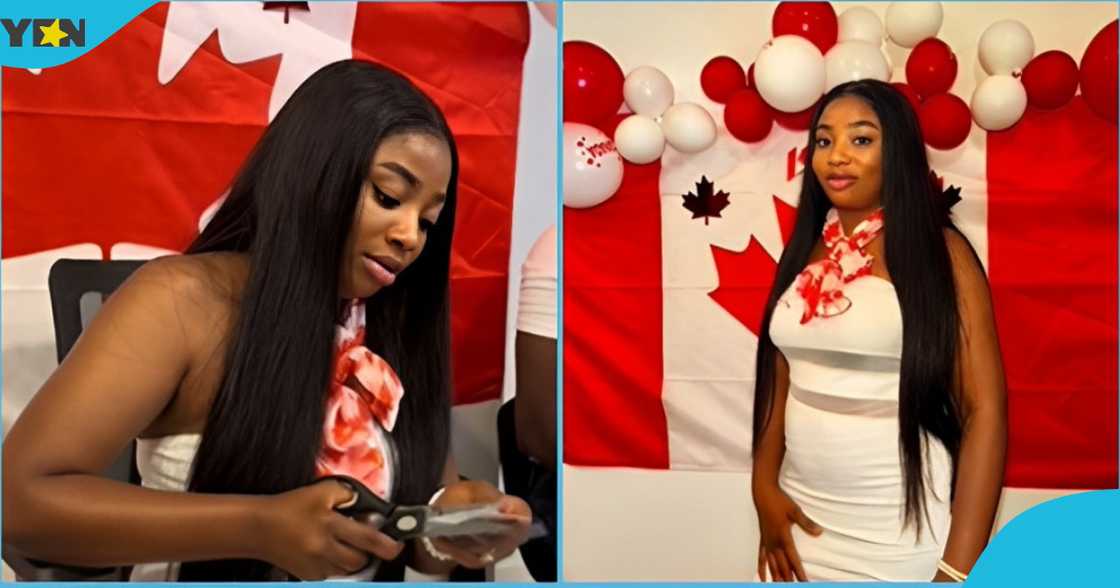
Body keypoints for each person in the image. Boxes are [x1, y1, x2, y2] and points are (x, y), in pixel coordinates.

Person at [2, 59, 531, 582]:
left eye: (427, 220)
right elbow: (22, 502)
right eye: (389, 197)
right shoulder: (183, 301)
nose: (409, 236)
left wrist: (449, 528)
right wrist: (258, 528)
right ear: (312, 174)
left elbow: (415, 549)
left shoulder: (392, 329)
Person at [751, 79, 1007, 582]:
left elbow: (986, 412)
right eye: (824, 141)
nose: (837, 156)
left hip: (898, 538)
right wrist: (762, 488)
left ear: (900, 153)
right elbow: (780, 374)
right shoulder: (805, 249)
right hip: (801, 526)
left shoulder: (942, 254)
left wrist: (956, 572)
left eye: (861, 139)